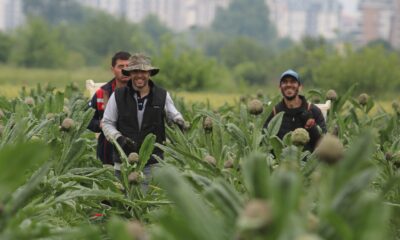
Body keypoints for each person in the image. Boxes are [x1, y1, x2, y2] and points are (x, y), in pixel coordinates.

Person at [102, 53, 186, 178]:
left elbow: (174, 117)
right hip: (124, 162)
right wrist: (119, 138)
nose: (139, 75)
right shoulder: (118, 95)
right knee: (123, 196)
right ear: (129, 73)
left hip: (153, 164)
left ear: (149, 73)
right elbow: (107, 122)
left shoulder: (162, 95)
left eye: (143, 71)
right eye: (135, 71)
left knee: (148, 196)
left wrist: (179, 122)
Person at [263, 69, 326, 152]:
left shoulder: (313, 110)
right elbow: (265, 142)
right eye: (285, 82)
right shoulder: (274, 112)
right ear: (279, 87)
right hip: (281, 162)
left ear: (300, 87)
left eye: (293, 82)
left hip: (308, 163)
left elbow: (323, 143)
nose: (288, 85)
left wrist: (311, 127)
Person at [87, 51, 131, 165]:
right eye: (121, 66)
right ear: (113, 69)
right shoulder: (102, 93)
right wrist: (99, 124)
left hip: (135, 151)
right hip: (108, 153)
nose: (125, 70)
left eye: (128, 66)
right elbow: (86, 119)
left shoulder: (143, 93)